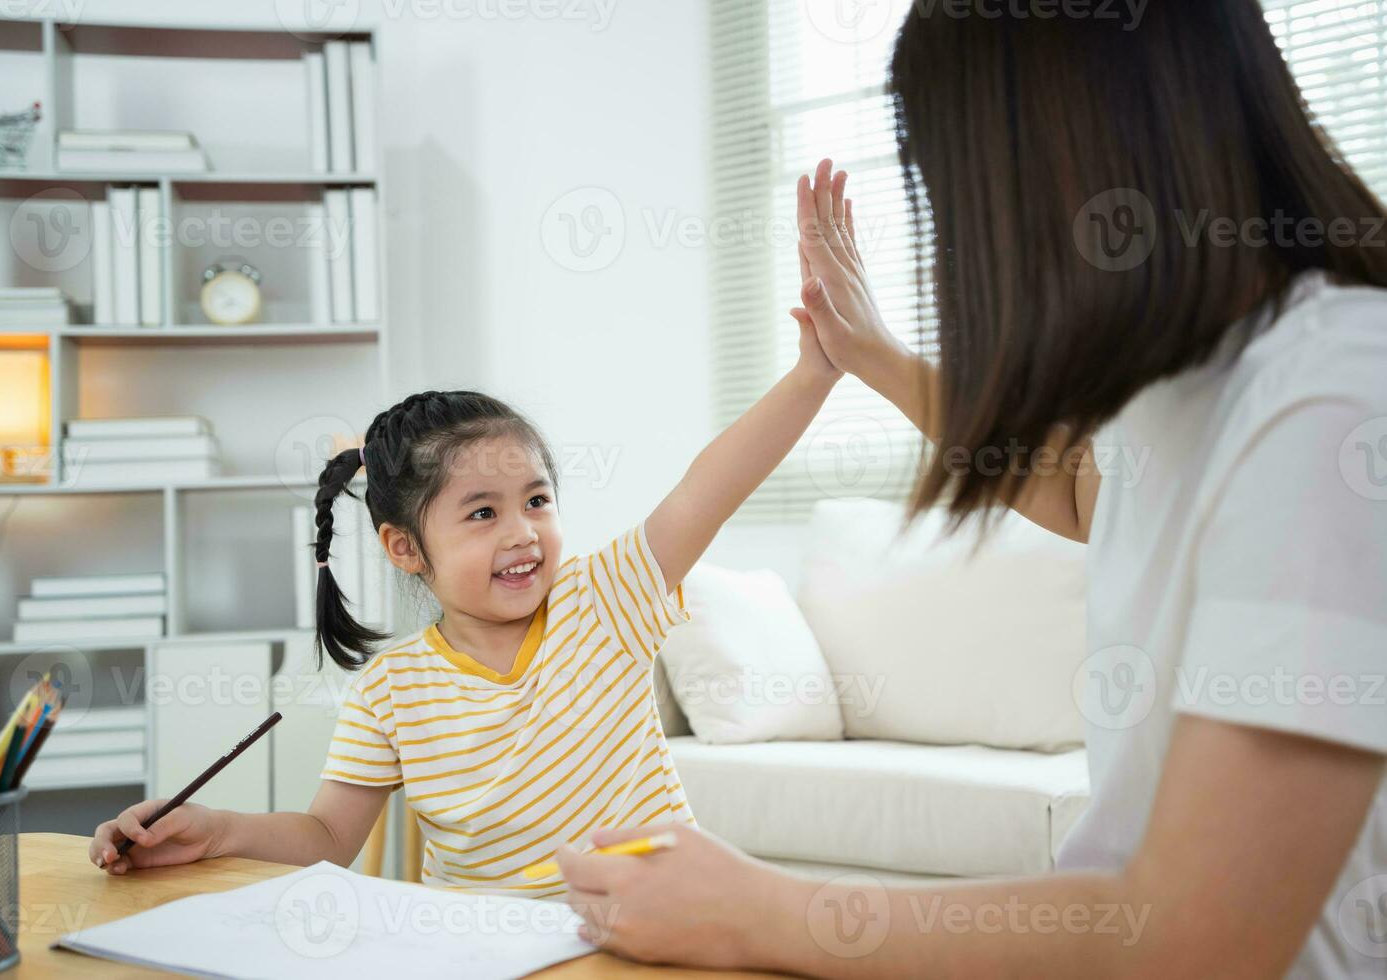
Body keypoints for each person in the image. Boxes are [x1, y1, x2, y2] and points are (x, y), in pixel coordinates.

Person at [558, 5, 1387, 977]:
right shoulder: (1181, 377)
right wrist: (868, 353)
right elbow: (1083, 497)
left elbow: (1191, 936)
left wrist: (764, 910)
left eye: (960, 190)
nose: (965, 240)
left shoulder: (1334, 393)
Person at [89, 336, 843, 896]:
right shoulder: (392, 689)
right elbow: (327, 836)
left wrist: (816, 371)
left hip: (658, 921)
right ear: (406, 548)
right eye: (482, 513)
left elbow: (707, 485)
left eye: (537, 501)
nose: (521, 532)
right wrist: (219, 829)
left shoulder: (605, 600)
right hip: (486, 950)